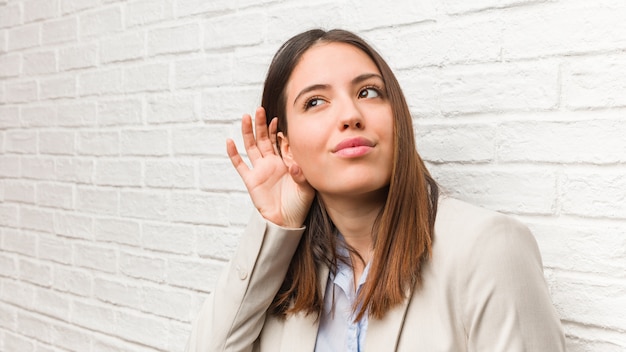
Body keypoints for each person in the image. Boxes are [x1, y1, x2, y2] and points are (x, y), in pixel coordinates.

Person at [186, 29, 566, 352]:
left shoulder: (488, 248)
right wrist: (275, 227)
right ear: (287, 149)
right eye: (315, 102)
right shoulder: (289, 274)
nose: (350, 114)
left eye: (368, 92)